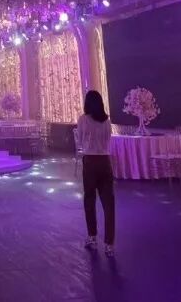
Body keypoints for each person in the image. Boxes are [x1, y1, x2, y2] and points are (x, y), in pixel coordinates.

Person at [77, 90, 115, 256]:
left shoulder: (83, 119)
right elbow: (108, 140)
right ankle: (109, 244)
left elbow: (80, 140)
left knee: (89, 199)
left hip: (90, 161)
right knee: (109, 203)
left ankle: (92, 237)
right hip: (105, 161)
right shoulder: (107, 121)